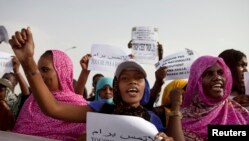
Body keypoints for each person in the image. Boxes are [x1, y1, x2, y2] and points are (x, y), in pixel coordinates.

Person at [8, 27, 183, 141]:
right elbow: (53, 108)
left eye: (138, 78)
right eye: (124, 78)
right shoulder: (101, 110)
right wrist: (28, 61)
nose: (132, 81)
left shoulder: (152, 120)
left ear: (145, 85)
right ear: (117, 87)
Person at [12, 50, 88, 141]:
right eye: (38, 70)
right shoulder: (31, 101)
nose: (39, 76)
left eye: (45, 70)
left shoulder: (80, 106)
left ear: (62, 73)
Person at [181, 55, 249, 141]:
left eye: (221, 73)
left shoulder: (240, 112)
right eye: (208, 73)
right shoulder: (180, 117)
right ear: (196, 80)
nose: (217, 78)